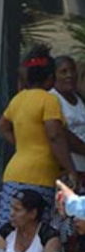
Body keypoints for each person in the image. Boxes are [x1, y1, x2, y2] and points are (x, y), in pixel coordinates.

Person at [0, 44, 76, 231]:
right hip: (40, 175)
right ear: (50, 78)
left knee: (10, 229)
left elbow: (2, 126)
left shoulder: (18, 99)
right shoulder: (49, 100)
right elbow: (55, 136)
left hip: (14, 172)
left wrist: (23, 145)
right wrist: (70, 169)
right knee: (37, 231)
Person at [50, 56, 85, 184]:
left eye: (72, 71)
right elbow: (60, 133)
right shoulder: (52, 98)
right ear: (54, 75)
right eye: (63, 72)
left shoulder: (79, 97)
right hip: (68, 169)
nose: (69, 75)